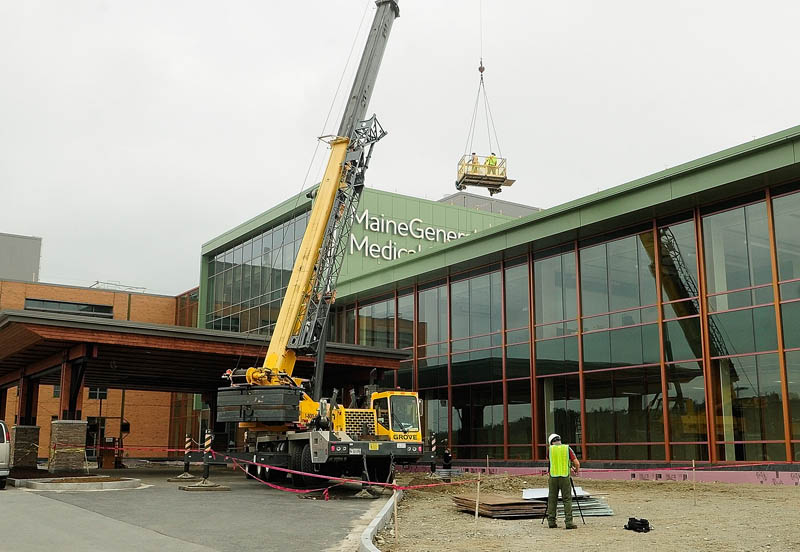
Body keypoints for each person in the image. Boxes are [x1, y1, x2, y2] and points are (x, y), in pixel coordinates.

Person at [545, 433, 580, 529]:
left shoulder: (550, 450)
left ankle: (551, 521)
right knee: (567, 499)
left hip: (553, 477)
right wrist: (576, 470)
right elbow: (577, 462)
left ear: (551, 442)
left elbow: (551, 461)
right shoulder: (567, 448)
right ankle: (569, 522)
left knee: (552, 499)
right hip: (565, 477)